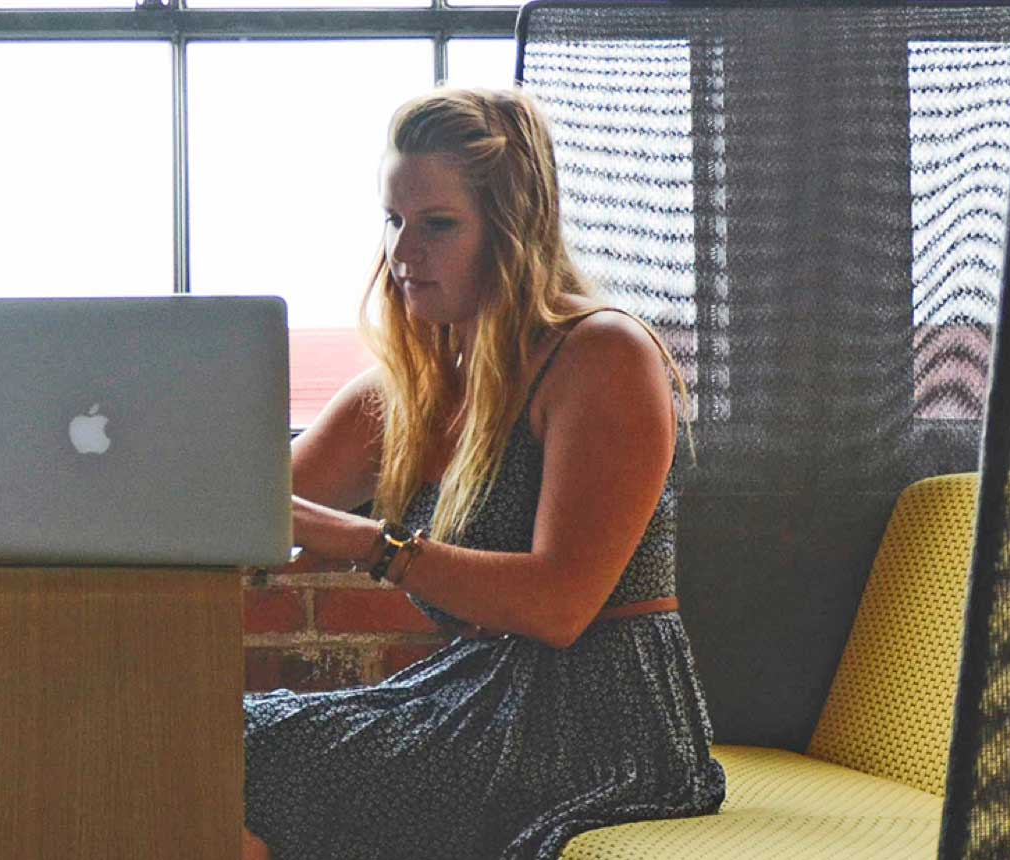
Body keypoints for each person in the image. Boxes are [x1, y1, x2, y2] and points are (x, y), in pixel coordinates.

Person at [242, 88, 726, 859]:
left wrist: (367, 541)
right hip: (475, 695)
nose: (403, 255)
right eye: (394, 221)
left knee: (244, 758)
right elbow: (243, 507)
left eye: (438, 225)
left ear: (512, 231)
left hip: (605, 725)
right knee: (208, 741)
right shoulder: (414, 383)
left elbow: (560, 605)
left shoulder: (601, 355)